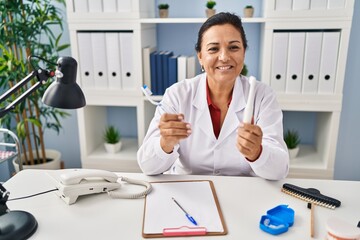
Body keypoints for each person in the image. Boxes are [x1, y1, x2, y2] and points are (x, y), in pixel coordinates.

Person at [137, 12, 289, 180]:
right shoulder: (177, 95)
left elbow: (280, 170)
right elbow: (147, 165)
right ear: (200, 57)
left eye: (233, 47)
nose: (224, 57)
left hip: (242, 193)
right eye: (213, 49)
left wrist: (257, 153)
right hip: (188, 193)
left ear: (244, 52)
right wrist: (165, 144)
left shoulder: (263, 96)